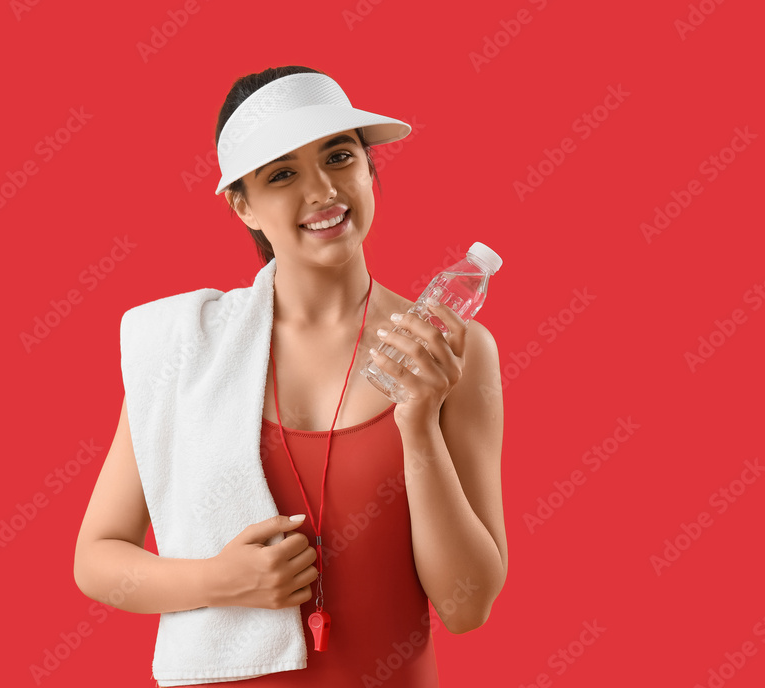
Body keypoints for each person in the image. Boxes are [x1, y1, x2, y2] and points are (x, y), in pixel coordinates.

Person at [73, 65, 507, 686]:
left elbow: (467, 607)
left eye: (339, 156)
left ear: (369, 167)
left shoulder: (448, 350)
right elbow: (97, 559)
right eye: (283, 174)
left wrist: (418, 426)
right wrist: (219, 580)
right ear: (242, 205)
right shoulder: (185, 348)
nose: (323, 190)